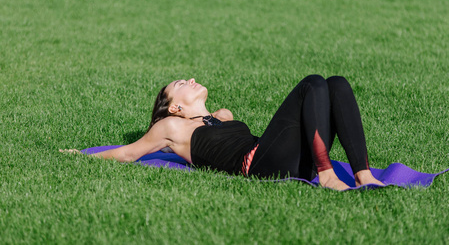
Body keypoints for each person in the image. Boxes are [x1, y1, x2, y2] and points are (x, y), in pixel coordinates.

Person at [61, 75, 385, 190]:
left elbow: (220, 123)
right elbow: (129, 152)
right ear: (174, 108)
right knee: (312, 83)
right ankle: (327, 175)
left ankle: (363, 174)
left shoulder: (222, 115)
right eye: (180, 85)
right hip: (259, 166)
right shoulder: (172, 128)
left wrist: (216, 117)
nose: (189, 80)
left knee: (337, 83)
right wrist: (81, 154)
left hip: (287, 158)